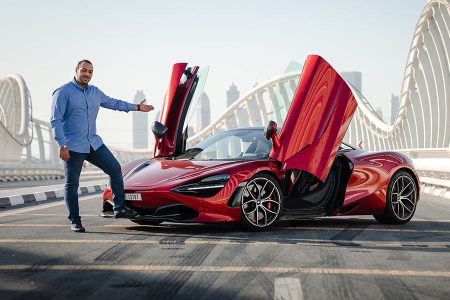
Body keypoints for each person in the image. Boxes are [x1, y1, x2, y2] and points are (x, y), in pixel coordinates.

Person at [50, 59, 154, 232]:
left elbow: (115, 103)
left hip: (93, 143)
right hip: (73, 146)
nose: (87, 74)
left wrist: (136, 107)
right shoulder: (63, 92)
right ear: (76, 70)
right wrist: (62, 145)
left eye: (90, 72)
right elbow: (56, 120)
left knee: (115, 169)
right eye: (84, 70)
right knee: (72, 184)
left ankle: (119, 208)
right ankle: (75, 221)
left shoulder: (95, 92)